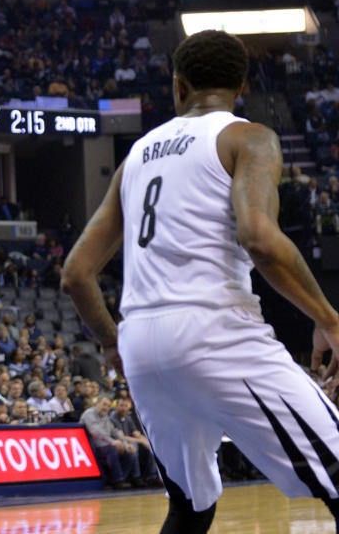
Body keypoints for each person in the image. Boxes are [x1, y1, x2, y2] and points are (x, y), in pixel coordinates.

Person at [61, 29, 339, 533]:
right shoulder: (247, 136)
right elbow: (259, 237)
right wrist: (328, 318)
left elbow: (76, 274)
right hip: (215, 329)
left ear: (178, 86)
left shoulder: (135, 157)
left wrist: (110, 343)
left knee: (189, 509)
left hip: (141, 341)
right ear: (242, 85)